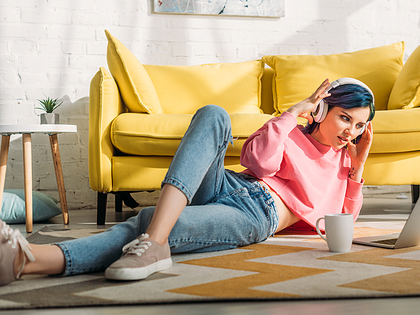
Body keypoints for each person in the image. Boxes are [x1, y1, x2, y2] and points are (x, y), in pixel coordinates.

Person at [0, 77, 375, 286]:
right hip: (232, 185)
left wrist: (357, 169)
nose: (350, 132)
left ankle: (27, 259)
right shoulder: (289, 131)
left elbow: (343, 220)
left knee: (149, 220)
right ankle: (156, 244)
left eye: (359, 125)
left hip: (256, 215)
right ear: (323, 109)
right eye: (344, 118)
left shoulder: (345, 160)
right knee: (213, 114)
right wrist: (292, 113)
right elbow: (258, 164)